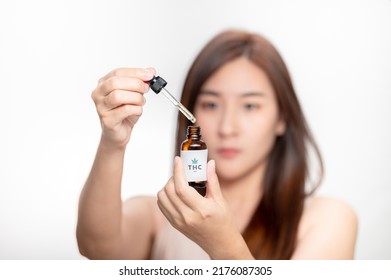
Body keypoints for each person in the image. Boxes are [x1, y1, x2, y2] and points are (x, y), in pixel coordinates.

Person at [76, 29, 358, 260]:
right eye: (211, 104)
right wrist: (113, 142)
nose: (227, 127)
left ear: (282, 117)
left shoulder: (327, 220)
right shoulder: (161, 215)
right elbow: (98, 249)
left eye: (249, 105)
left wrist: (222, 243)